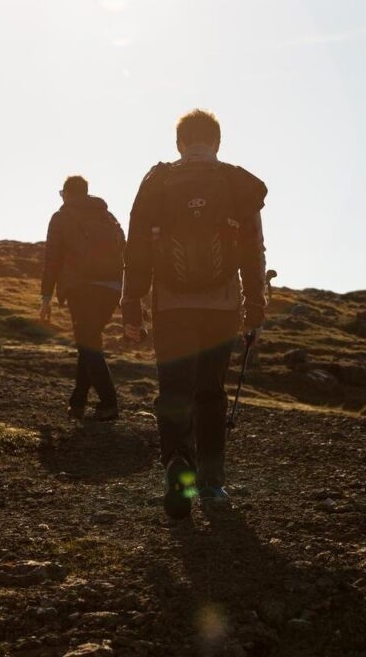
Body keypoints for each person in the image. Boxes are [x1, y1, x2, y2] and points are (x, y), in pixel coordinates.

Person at [121, 109, 266, 518]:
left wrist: (132, 305)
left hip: (171, 305)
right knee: (211, 393)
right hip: (222, 306)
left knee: (175, 391)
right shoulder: (237, 183)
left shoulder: (158, 182)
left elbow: (136, 249)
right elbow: (253, 249)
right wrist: (254, 306)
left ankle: (178, 467)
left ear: (180, 143)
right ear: (217, 143)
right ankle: (212, 484)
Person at [40, 175, 125, 421]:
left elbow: (52, 259)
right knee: (88, 343)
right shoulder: (106, 216)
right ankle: (78, 402)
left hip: (81, 288)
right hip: (111, 289)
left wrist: (46, 297)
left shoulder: (62, 217)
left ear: (66, 193)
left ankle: (109, 403)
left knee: (88, 345)